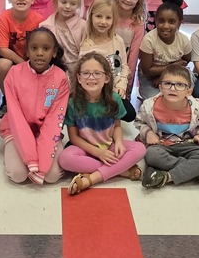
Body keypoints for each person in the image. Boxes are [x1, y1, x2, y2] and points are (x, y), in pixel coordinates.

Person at [59, 53, 146, 195]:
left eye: (97, 73)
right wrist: (98, 152)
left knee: (140, 148)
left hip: (109, 146)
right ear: (79, 78)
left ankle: (91, 179)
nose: (91, 77)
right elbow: (74, 138)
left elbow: (117, 126)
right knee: (65, 159)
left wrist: (118, 142)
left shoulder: (114, 99)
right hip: (85, 149)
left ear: (106, 78)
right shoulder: (72, 103)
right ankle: (121, 171)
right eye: (86, 73)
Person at [0, 28, 70, 184]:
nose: (39, 53)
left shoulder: (60, 78)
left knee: (51, 176)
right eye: (34, 48)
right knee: (18, 175)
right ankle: (15, 152)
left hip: (45, 130)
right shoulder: (14, 74)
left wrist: (42, 167)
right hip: (15, 129)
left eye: (46, 48)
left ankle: (38, 155)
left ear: (54, 52)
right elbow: (16, 118)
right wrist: (31, 159)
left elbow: (53, 121)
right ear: (27, 51)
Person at [135, 65, 199, 189]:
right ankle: (196, 171)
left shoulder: (197, 107)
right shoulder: (149, 106)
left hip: (187, 144)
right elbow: (139, 122)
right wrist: (148, 133)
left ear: (188, 91)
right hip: (161, 146)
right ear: (160, 87)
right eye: (168, 84)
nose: (173, 88)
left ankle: (166, 176)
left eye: (180, 85)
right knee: (151, 155)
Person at [79, 0, 134, 121]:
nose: (103, 22)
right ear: (91, 16)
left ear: (114, 20)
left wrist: (122, 86)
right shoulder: (85, 42)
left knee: (130, 114)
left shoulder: (118, 41)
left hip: (113, 89)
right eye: (99, 16)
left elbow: (123, 66)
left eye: (108, 18)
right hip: (91, 91)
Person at [0, 0, 44, 117]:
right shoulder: (4, 17)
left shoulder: (39, 20)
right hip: (12, 58)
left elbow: (40, 47)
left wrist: (29, 63)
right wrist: (22, 64)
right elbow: (3, 49)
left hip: (32, 58)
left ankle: (31, 102)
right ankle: (7, 100)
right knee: (2, 64)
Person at [137, 0, 192, 100]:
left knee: (182, 95)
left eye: (171, 22)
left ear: (179, 23)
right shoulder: (149, 39)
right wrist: (167, 71)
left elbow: (185, 61)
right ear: (156, 21)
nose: (166, 26)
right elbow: (147, 70)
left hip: (174, 75)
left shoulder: (184, 40)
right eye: (161, 21)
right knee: (155, 99)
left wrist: (165, 77)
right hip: (150, 77)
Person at [39, 0, 85, 73]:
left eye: (72, 4)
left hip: (78, 70)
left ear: (78, 5)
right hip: (54, 70)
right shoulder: (45, 26)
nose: (67, 6)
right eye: (64, 2)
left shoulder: (84, 26)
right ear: (56, 1)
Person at [113, 0, 146, 97]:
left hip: (125, 68)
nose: (128, 0)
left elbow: (134, 52)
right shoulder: (109, 15)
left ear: (138, 0)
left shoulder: (138, 23)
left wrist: (129, 72)